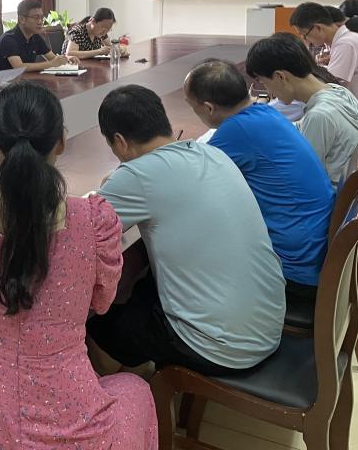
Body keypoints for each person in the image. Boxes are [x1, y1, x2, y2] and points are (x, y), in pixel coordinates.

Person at [0, 81, 158, 449]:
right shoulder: (93, 222)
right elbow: (101, 303)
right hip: (67, 410)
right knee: (135, 389)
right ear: (61, 142)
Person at [86, 85, 284, 376]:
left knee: (97, 325)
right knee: (141, 288)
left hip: (221, 347)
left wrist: (117, 184)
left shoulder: (138, 175)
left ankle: (121, 395)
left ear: (120, 141)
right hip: (268, 323)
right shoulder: (213, 153)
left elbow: (83, 233)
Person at [184, 59, 335, 298]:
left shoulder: (236, 130)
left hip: (294, 267)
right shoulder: (265, 113)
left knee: (190, 247)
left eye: (193, 107)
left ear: (209, 108)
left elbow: (190, 183)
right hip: (315, 245)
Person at [246, 34, 358, 188]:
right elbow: (303, 128)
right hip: (349, 189)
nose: (268, 92)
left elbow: (302, 175)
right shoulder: (339, 92)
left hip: (331, 196)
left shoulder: (320, 115)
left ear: (280, 77)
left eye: (263, 83)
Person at [290, 2, 358, 134]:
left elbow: (325, 90)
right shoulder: (350, 38)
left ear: (318, 28)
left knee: (303, 128)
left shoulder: (346, 44)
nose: (304, 40)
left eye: (304, 34)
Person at [0, 0, 76, 75]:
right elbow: (19, 67)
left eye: (41, 17)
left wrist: (66, 59)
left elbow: (53, 58)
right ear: (22, 19)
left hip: (24, 81)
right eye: (36, 17)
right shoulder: (8, 39)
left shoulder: (35, 37)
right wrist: (52, 64)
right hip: (3, 85)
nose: (40, 22)